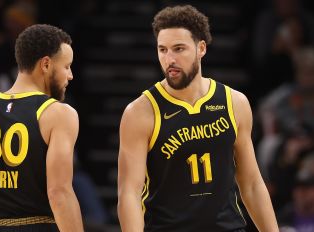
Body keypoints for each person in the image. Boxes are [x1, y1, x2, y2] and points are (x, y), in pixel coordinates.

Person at [117, 5, 279, 231]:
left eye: (178, 49)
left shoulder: (234, 102)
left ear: (201, 48)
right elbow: (129, 194)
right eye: (162, 50)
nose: (169, 59)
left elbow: (251, 183)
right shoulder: (140, 112)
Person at [0, 24, 83, 231]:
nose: (70, 75)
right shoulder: (58, 114)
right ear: (46, 64)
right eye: (67, 66)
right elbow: (59, 193)